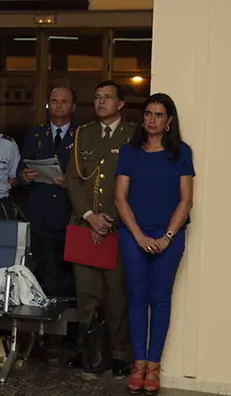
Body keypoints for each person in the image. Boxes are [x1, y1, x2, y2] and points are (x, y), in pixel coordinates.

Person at [115, 93, 194, 395]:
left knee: (160, 300)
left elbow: (186, 201)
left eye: (159, 115)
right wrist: (139, 236)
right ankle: (138, 366)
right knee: (137, 299)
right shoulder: (129, 151)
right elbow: (120, 198)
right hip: (133, 235)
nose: (152, 119)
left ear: (169, 120)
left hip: (169, 237)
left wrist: (166, 238)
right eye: (148, 113)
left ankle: (153, 368)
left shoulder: (181, 153)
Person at [65, 80, 136, 376]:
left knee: (116, 294)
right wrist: (90, 216)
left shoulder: (132, 135)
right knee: (86, 292)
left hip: (116, 227)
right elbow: (73, 179)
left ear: (121, 103)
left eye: (107, 97)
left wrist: (108, 220)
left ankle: (120, 353)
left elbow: (136, 184)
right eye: (97, 97)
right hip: (85, 225)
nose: (101, 102)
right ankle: (89, 350)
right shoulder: (84, 133)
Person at [20, 86, 78, 297]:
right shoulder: (35, 134)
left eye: (64, 101)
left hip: (70, 214)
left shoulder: (81, 136)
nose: (58, 105)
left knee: (70, 275)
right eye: (54, 101)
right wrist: (24, 176)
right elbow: (21, 167)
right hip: (41, 214)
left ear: (73, 106)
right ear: (48, 105)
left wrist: (71, 183)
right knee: (44, 274)